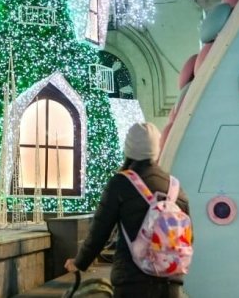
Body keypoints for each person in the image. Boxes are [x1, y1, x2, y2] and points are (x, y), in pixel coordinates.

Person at [65, 122, 190, 298]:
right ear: (157, 148)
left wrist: (79, 263)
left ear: (129, 148)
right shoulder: (175, 187)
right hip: (170, 283)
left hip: (132, 283)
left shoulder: (121, 183)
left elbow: (99, 232)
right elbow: (188, 238)